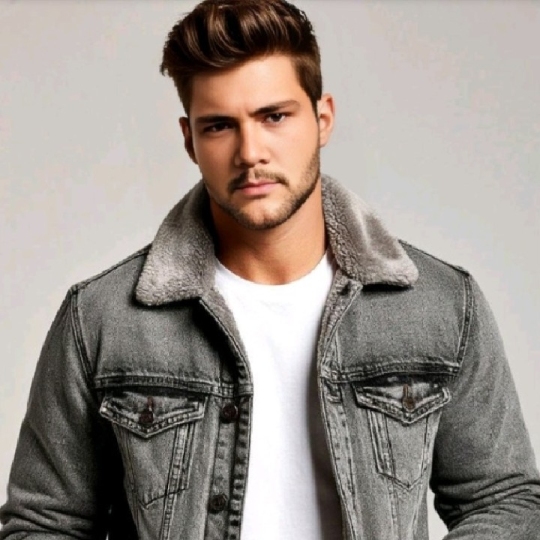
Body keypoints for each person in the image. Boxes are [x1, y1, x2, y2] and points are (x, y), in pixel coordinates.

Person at [1, 0, 539, 538]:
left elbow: (505, 500)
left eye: (274, 116)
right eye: (219, 126)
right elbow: (42, 522)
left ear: (323, 119)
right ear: (190, 140)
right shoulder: (104, 318)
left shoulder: (438, 305)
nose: (250, 152)